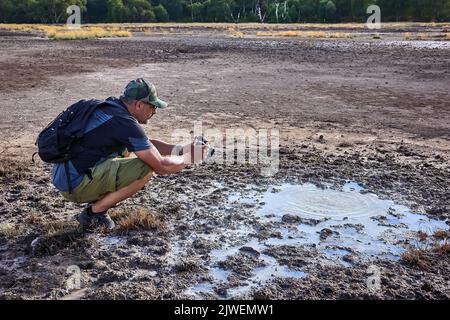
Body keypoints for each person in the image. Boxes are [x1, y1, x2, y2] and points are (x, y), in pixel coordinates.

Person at [51, 78, 208, 230]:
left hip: (64, 175)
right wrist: (189, 158)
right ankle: (94, 213)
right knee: (145, 167)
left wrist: (182, 150)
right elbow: (162, 167)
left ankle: (95, 199)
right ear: (139, 104)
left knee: (133, 149)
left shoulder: (112, 109)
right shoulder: (124, 122)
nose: (155, 111)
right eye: (153, 106)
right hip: (74, 184)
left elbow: (146, 144)